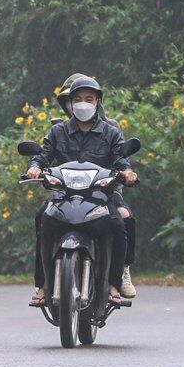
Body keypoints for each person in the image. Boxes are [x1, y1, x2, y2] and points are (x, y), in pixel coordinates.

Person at [25, 74, 138, 306]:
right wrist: (34, 168)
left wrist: (127, 172)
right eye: (77, 99)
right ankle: (43, 285)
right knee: (42, 218)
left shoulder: (111, 132)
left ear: (97, 102)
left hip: (101, 195)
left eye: (89, 99)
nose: (83, 104)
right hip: (63, 194)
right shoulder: (57, 131)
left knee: (120, 222)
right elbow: (42, 156)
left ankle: (115, 282)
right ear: (70, 103)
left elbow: (120, 159)